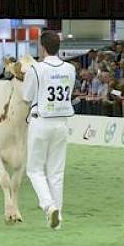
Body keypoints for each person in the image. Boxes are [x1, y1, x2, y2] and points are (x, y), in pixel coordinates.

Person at [23, 31, 76, 229]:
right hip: (62, 122)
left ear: (42, 47)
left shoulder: (36, 69)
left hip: (41, 121)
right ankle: (57, 219)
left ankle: (49, 206)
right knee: (56, 172)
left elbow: (27, 96)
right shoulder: (70, 69)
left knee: (35, 170)